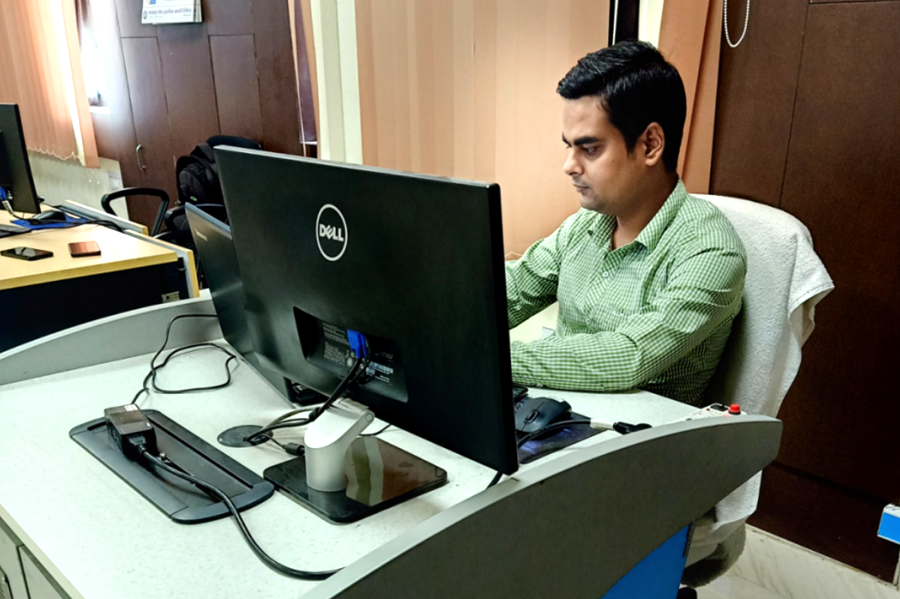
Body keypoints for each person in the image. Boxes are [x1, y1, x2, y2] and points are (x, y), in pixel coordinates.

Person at [505, 40, 746, 407]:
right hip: (549, 413)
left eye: (589, 149)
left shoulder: (710, 250)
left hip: (634, 435)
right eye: (569, 147)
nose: (569, 166)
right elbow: (513, 291)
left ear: (650, 145)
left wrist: (491, 360)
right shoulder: (586, 225)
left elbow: (627, 355)